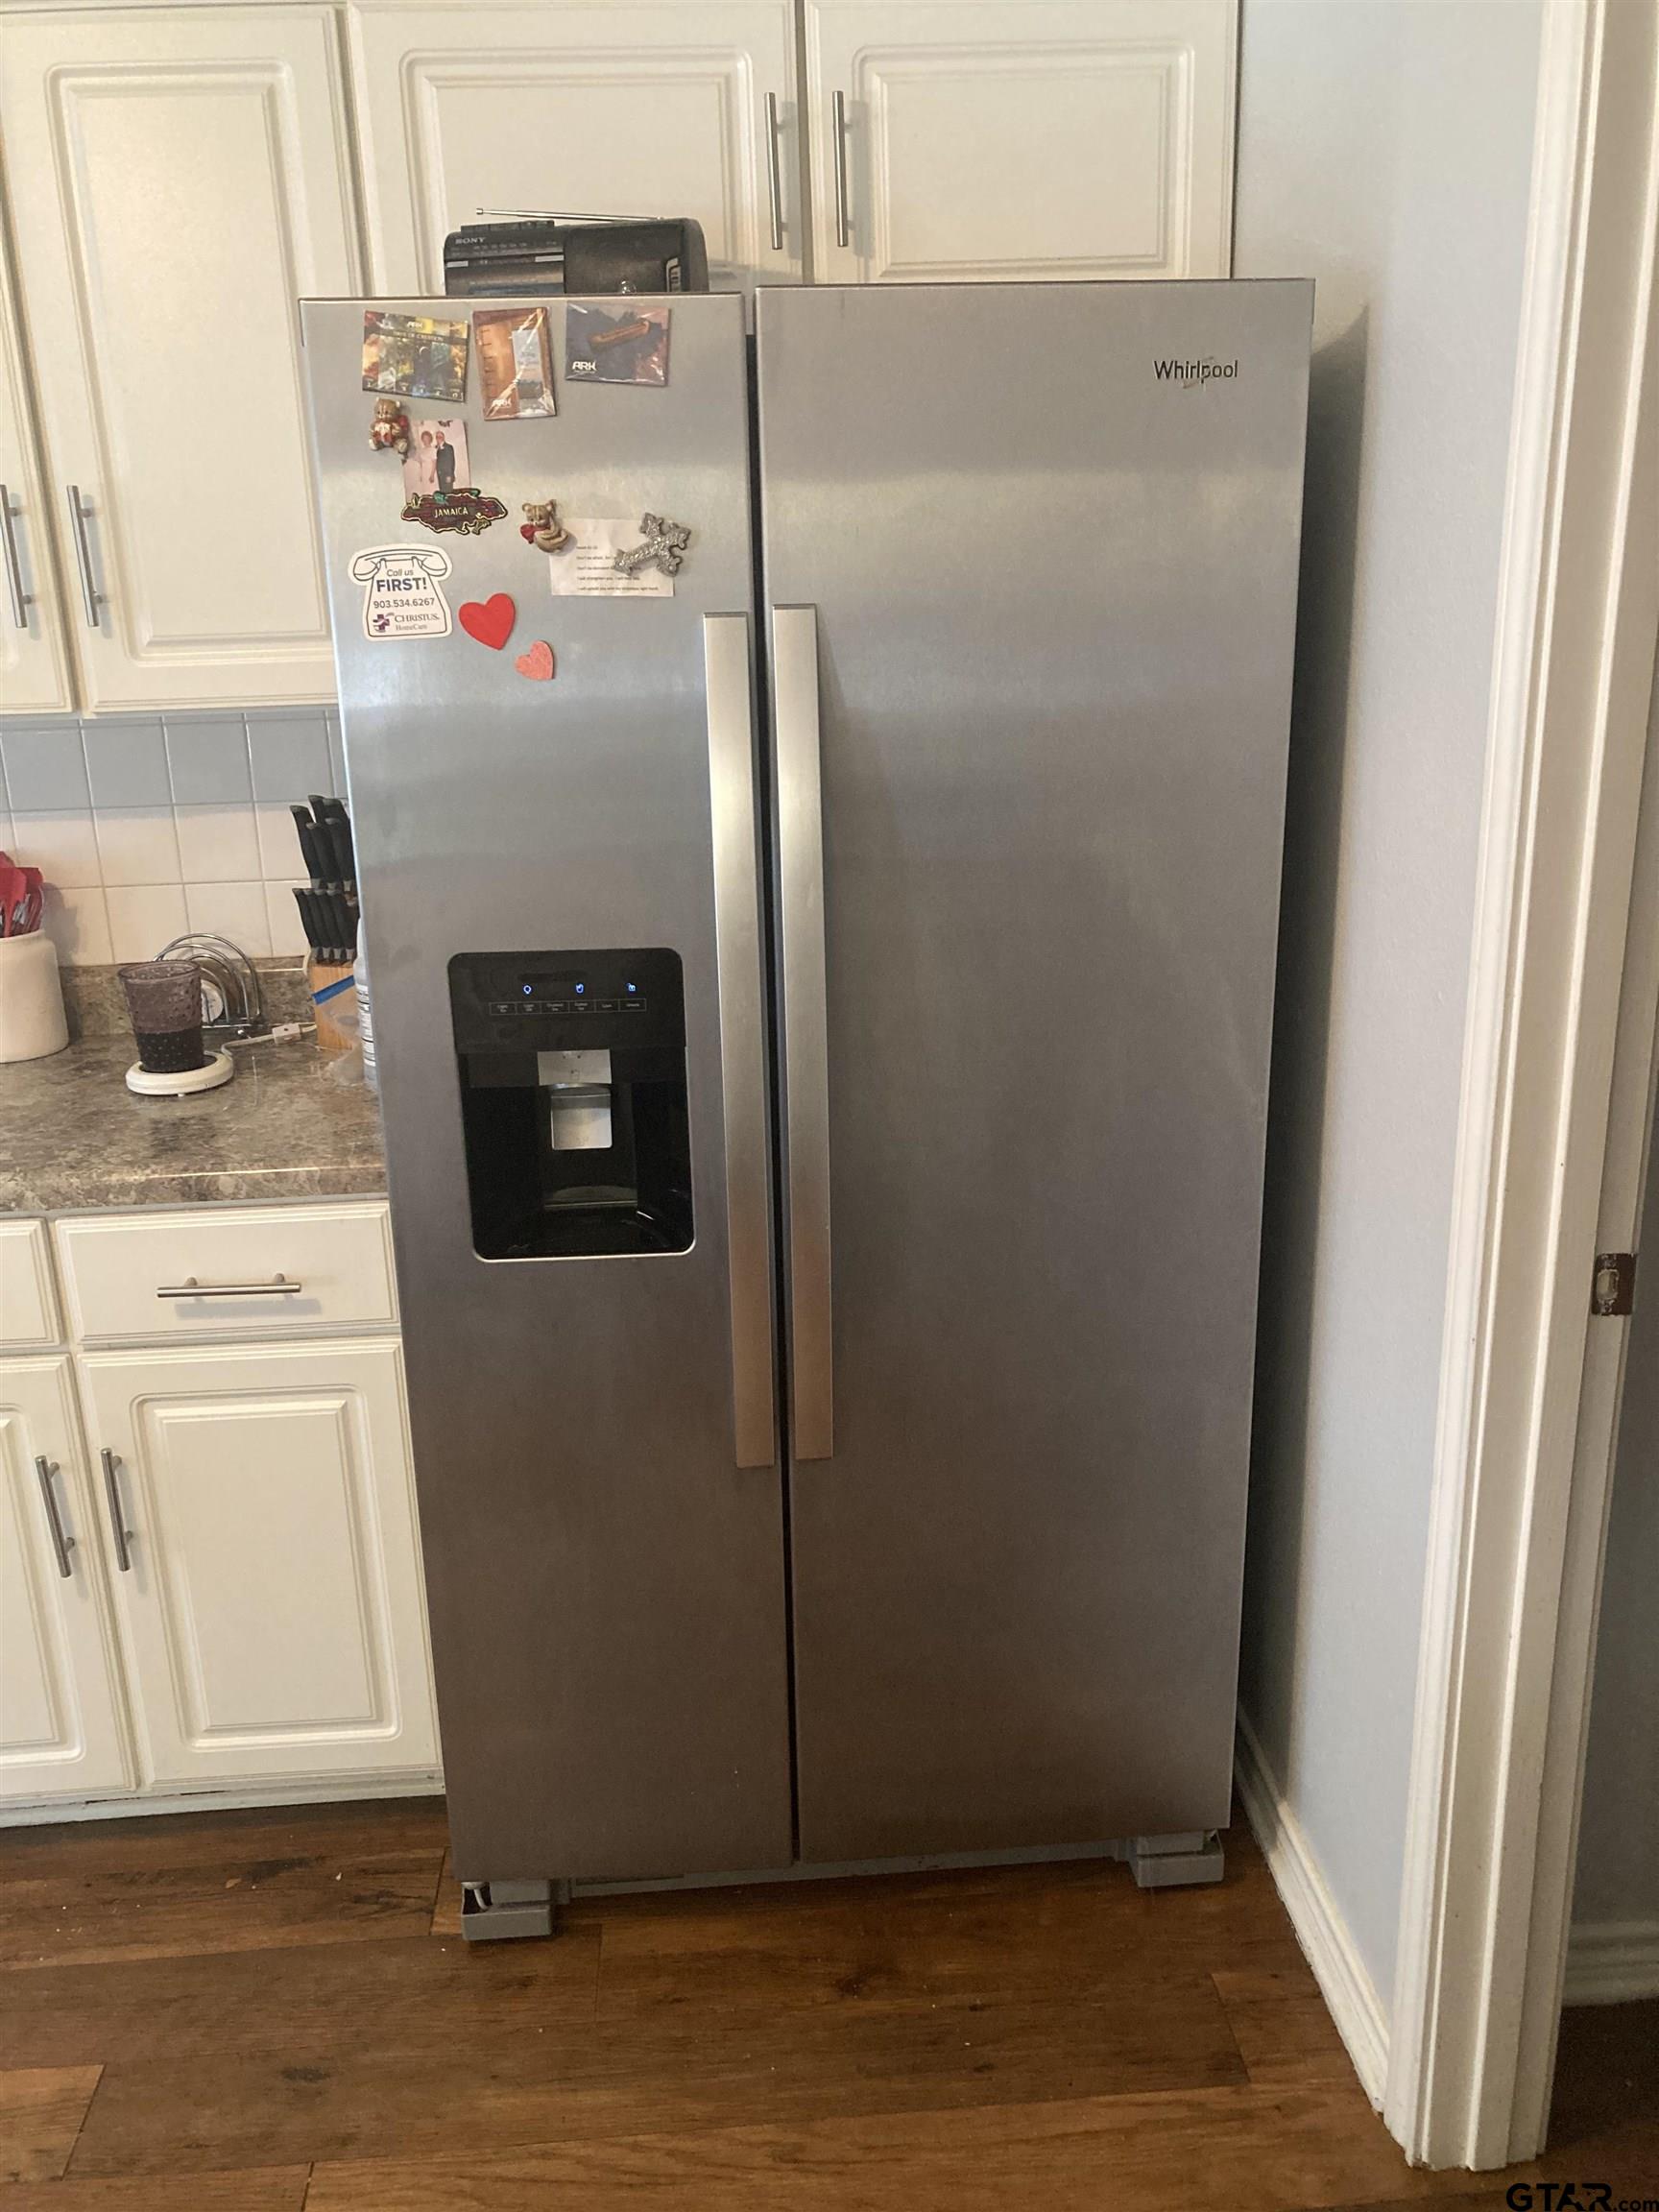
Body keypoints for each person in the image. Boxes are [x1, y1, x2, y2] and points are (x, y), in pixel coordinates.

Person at [435, 426, 457, 498]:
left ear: (443, 438)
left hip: (447, 475)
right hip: (440, 475)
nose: (438, 438)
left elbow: (451, 462)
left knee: (448, 493)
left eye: (440, 437)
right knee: (442, 493)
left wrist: (450, 475)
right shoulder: (435, 448)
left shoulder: (448, 447)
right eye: (437, 437)